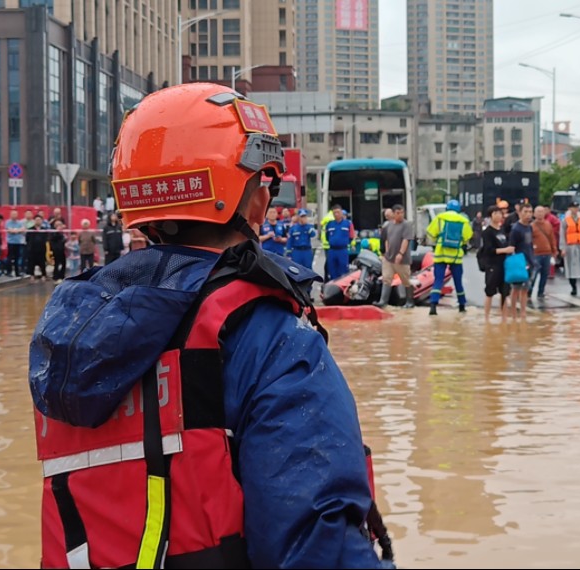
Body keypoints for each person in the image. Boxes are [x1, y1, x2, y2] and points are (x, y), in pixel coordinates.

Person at [28, 82, 392, 569]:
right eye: (263, 184)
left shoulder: (70, 334)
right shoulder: (269, 335)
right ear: (254, 201)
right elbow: (315, 542)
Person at [426, 199, 472, 315]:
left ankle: (433, 306)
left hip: (441, 255)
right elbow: (467, 238)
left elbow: (430, 233)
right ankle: (462, 306)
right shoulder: (464, 220)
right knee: (458, 282)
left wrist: (437, 240)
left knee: (438, 281)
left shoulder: (440, 218)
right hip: (456, 256)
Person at [375, 204, 415, 309]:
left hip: (402, 259)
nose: (400, 215)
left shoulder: (407, 225)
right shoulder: (388, 225)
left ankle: (410, 301)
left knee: (405, 280)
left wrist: (400, 253)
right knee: (386, 278)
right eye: (398, 213)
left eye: (402, 212)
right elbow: (386, 239)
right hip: (389, 258)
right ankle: (383, 301)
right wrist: (386, 252)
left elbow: (406, 240)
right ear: (393, 214)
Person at [479, 205, 514, 320]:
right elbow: (488, 250)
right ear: (490, 216)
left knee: (505, 293)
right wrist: (505, 250)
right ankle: (486, 318)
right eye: (495, 213)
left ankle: (504, 317)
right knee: (490, 292)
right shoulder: (487, 232)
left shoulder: (502, 230)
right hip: (493, 265)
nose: (498, 216)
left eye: (500, 213)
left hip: (505, 265)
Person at [507, 202, 534, 317]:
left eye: (530, 212)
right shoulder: (516, 229)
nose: (528, 215)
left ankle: (523, 311)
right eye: (525, 212)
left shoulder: (529, 227)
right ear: (519, 213)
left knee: (525, 289)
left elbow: (530, 244)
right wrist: (517, 264)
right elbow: (511, 248)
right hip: (519, 262)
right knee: (516, 289)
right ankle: (513, 312)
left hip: (530, 261)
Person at [560, 202, 580, 296]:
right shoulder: (565, 220)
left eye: (576, 207)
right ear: (569, 208)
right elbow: (562, 235)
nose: (575, 209)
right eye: (573, 207)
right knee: (571, 268)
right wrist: (563, 248)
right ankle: (574, 288)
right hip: (570, 246)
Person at [530, 205, 557, 301]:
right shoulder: (531, 226)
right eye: (538, 212)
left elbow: (552, 238)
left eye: (542, 211)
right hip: (536, 254)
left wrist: (554, 250)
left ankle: (541, 292)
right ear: (534, 213)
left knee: (545, 274)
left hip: (547, 253)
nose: (540, 213)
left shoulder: (548, 224)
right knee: (533, 274)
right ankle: (529, 292)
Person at [324, 205, 354, 280]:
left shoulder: (348, 224)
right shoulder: (329, 224)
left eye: (338, 212)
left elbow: (351, 236)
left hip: (342, 250)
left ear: (341, 213)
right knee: (332, 270)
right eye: (334, 213)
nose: (336, 214)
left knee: (343, 270)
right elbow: (327, 237)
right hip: (332, 251)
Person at [286, 208, 318, 273]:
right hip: (297, 251)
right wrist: (288, 253)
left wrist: (306, 225)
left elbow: (313, 235)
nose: (303, 218)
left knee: (308, 269)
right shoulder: (293, 228)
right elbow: (289, 241)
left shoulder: (309, 226)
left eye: (304, 216)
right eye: (301, 216)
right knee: (296, 269)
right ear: (298, 217)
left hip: (307, 251)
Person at [26, 215, 49, 280]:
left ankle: (44, 275)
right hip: (32, 248)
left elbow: (46, 238)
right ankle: (32, 275)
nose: (38, 221)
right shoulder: (30, 229)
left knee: (42, 262)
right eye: (36, 220)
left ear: (42, 221)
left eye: (39, 220)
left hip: (41, 248)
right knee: (31, 262)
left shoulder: (44, 230)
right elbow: (27, 239)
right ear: (34, 221)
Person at [5, 210, 27, 277]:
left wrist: (15, 230)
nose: (14, 215)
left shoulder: (19, 222)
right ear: (10, 215)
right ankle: (9, 272)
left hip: (18, 242)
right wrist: (18, 231)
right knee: (10, 258)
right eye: (13, 214)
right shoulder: (8, 222)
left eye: (15, 214)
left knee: (17, 258)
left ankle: (17, 272)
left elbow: (23, 230)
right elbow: (10, 231)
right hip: (11, 242)